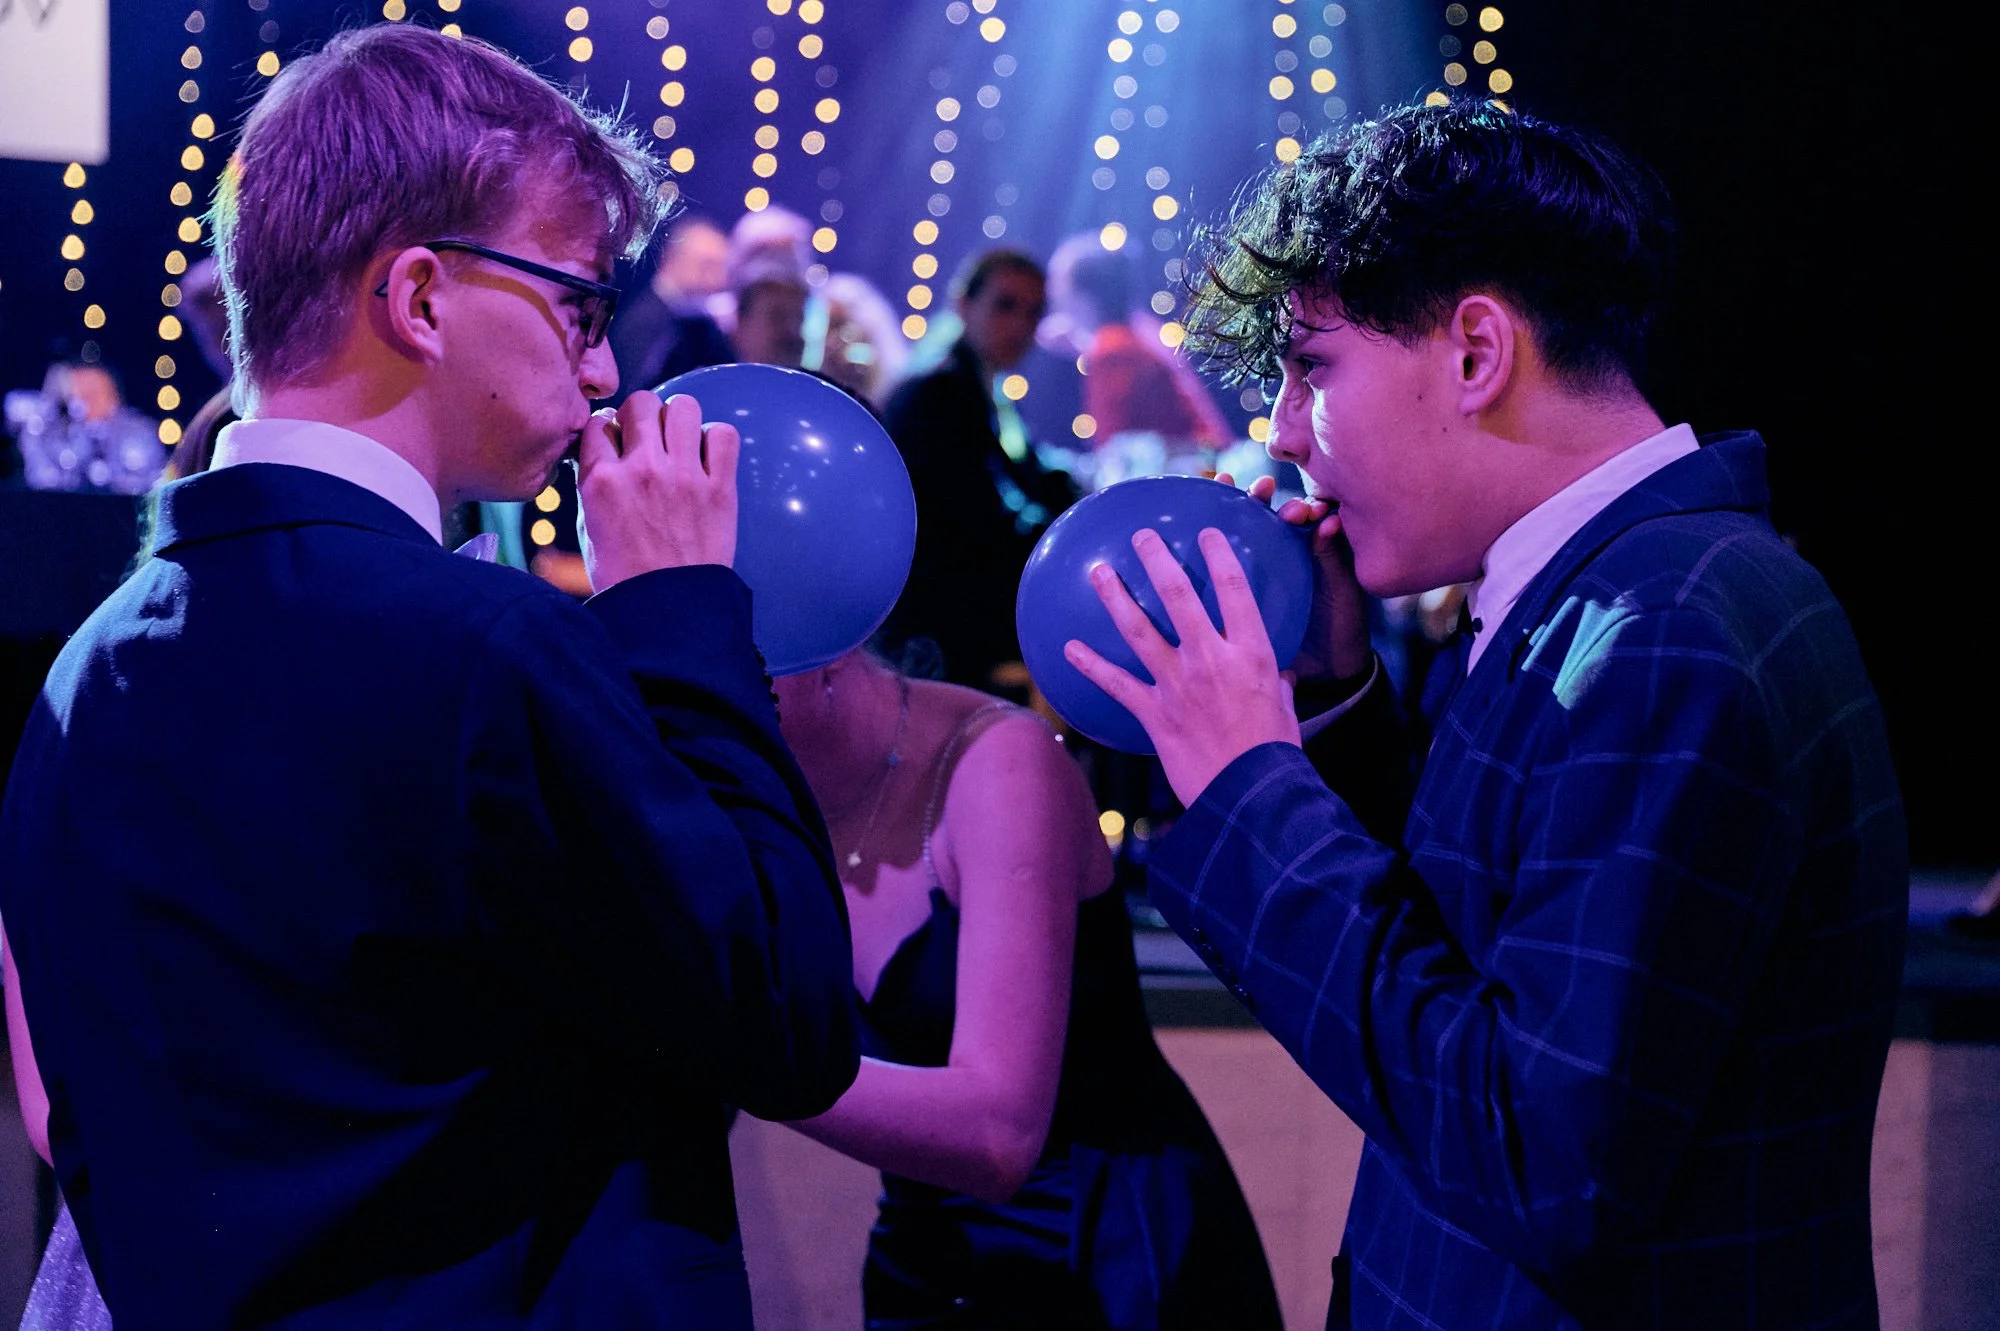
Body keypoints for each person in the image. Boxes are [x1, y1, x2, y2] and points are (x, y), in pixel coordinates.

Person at [0, 24, 858, 1329]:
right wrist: (679, 607)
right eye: (579, 302)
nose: (603, 368)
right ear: (418, 298)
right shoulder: (488, 645)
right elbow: (788, 1021)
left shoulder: (82, 674)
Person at [1063, 97, 1907, 1329]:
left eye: (1310, 367)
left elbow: (1540, 1157)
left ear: (1474, 351)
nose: (1282, 434)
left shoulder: (1660, 633)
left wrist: (1248, 784)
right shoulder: (1629, 585)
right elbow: (1477, 940)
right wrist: (1331, 702)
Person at [767, 647, 1280, 1330]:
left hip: (1101, 1257)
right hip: (925, 1256)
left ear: (823, 644)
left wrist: (746, 1064)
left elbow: (1000, 1134)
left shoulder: (999, 761)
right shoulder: (758, 791)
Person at [881, 249, 1078, 694]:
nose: (1021, 325)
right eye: (1005, 305)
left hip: (970, 613)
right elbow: (973, 520)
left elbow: (1036, 482)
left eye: (1034, 312)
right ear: (964, 304)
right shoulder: (936, 393)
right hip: (941, 634)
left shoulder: (990, 393)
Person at [1042, 231, 1229, 469]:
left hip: (1188, 471)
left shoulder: (1110, 352)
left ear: (1083, 298)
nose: (1053, 298)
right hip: (1209, 463)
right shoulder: (1141, 330)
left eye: (1059, 287)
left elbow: (1112, 450)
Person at [607, 214, 736, 394]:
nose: (718, 280)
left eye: (722, 269)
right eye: (708, 266)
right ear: (671, 260)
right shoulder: (646, 320)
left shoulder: (685, 320)